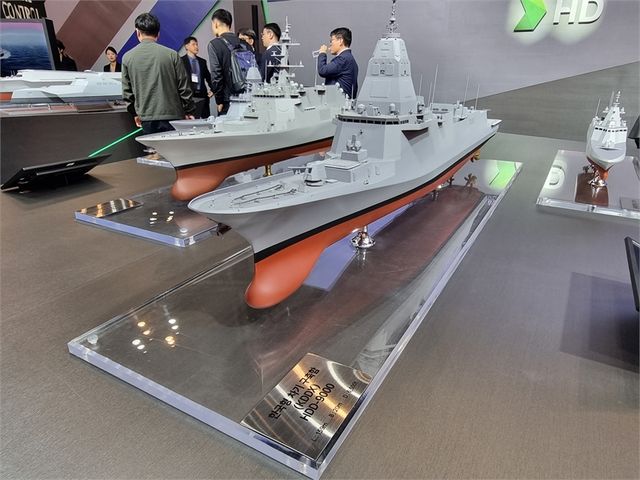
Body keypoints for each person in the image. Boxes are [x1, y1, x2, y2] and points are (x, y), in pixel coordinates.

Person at [121, 13, 195, 135]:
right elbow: (184, 88)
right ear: (158, 33)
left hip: (146, 117)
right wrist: (189, 111)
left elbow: (127, 93)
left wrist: (135, 113)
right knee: (174, 147)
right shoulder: (172, 55)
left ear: (137, 32)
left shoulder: (127, 58)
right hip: (174, 116)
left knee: (152, 147)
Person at [207, 9, 252, 115]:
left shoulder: (214, 44)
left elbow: (216, 75)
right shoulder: (245, 44)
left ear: (216, 23)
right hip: (248, 97)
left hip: (228, 101)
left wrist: (219, 101)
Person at [317, 27, 358, 98]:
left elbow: (322, 70)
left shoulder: (343, 59)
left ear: (340, 41)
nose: (330, 44)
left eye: (331, 41)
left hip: (339, 102)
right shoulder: (349, 59)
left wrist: (322, 53)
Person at [181, 36, 213, 118]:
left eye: (197, 44)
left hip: (202, 95)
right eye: (193, 44)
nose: (196, 47)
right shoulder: (181, 61)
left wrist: (213, 90)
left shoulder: (202, 61)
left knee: (205, 119)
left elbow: (208, 77)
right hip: (189, 97)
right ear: (186, 46)